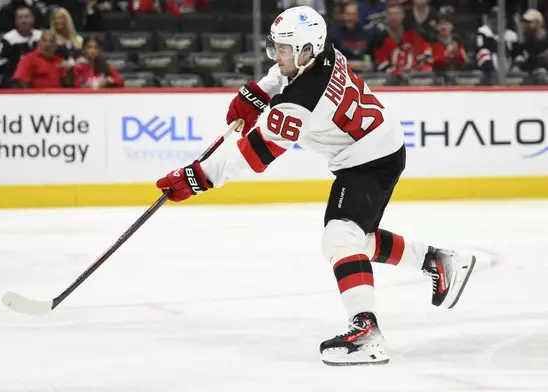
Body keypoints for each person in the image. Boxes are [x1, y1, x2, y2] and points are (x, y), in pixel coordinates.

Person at [154, 6, 476, 366]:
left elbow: (253, 156)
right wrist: (259, 93)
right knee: (354, 239)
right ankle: (438, 260)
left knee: (340, 239)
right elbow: (284, 74)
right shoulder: (323, 53)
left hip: (369, 161)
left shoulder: (300, 103)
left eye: (284, 49)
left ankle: (367, 332)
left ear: (307, 49)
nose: (278, 55)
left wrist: (198, 177)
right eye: (276, 47)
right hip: (376, 148)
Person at [0, 5, 42, 88]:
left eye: (26, 17)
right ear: (15, 21)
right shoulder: (8, 39)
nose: (24, 20)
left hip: (38, 77)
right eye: (20, 18)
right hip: (15, 81)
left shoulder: (41, 36)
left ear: (33, 19)